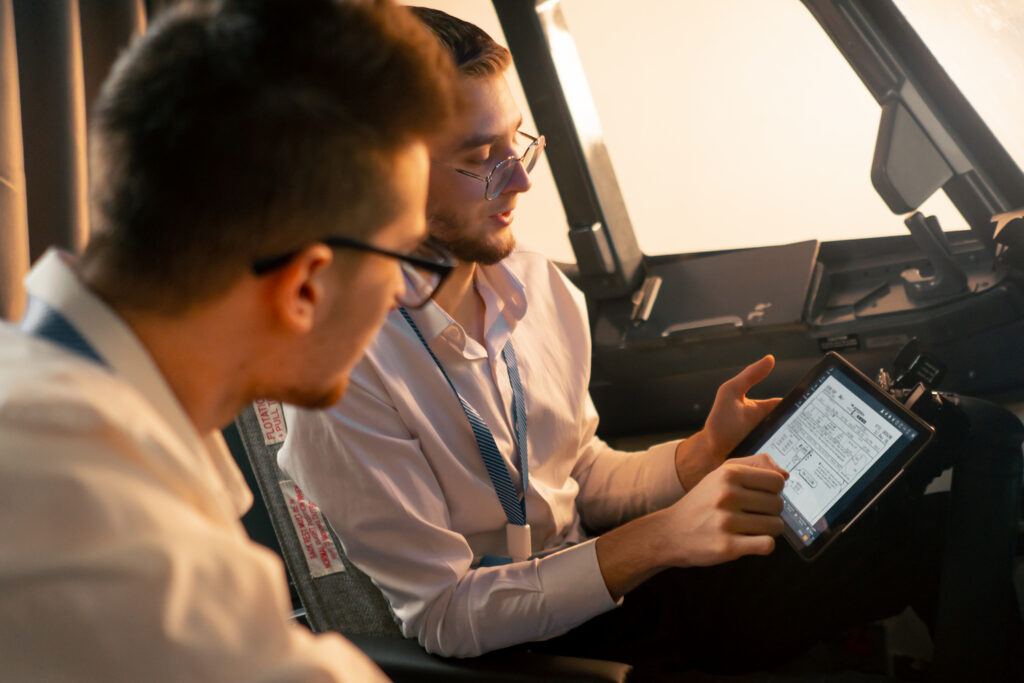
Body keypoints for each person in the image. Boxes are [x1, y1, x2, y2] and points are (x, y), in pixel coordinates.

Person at [278, 7, 1015, 680]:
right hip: (541, 649)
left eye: (518, 144)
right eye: (480, 158)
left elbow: (578, 472)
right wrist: (666, 537)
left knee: (969, 440)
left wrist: (696, 455)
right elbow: (444, 615)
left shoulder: (537, 289)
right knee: (948, 501)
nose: (519, 182)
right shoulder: (340, 377)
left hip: (620, 586)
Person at [0, 0, 458, 680]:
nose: (400, 291)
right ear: (306, 284)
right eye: (403, 256)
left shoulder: (51, 398)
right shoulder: (86, 503)